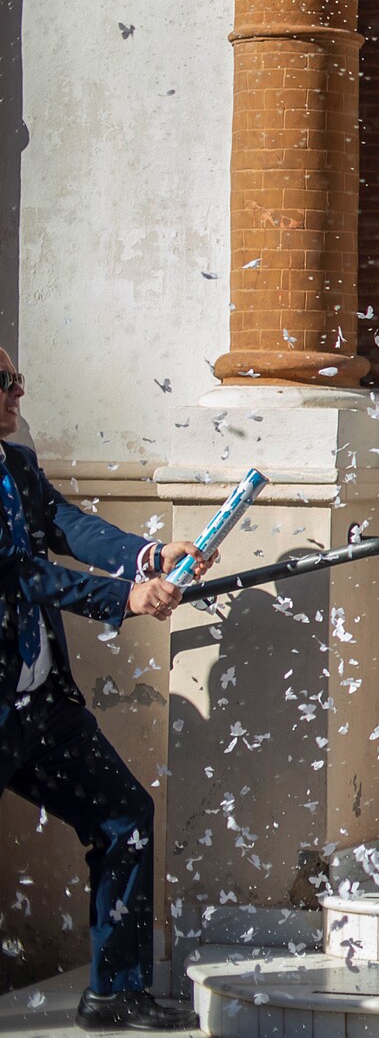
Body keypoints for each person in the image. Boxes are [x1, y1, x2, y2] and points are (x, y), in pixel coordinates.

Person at [0, 348, 215, 1030]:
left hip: (42, 704)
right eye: (5, 381)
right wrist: (126, 597)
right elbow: (24, 573)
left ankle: (116, 993)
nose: (19, 390)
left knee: (123, 817)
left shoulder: (17, 465)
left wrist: (153, 556)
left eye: (17, 378)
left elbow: (67, 526)